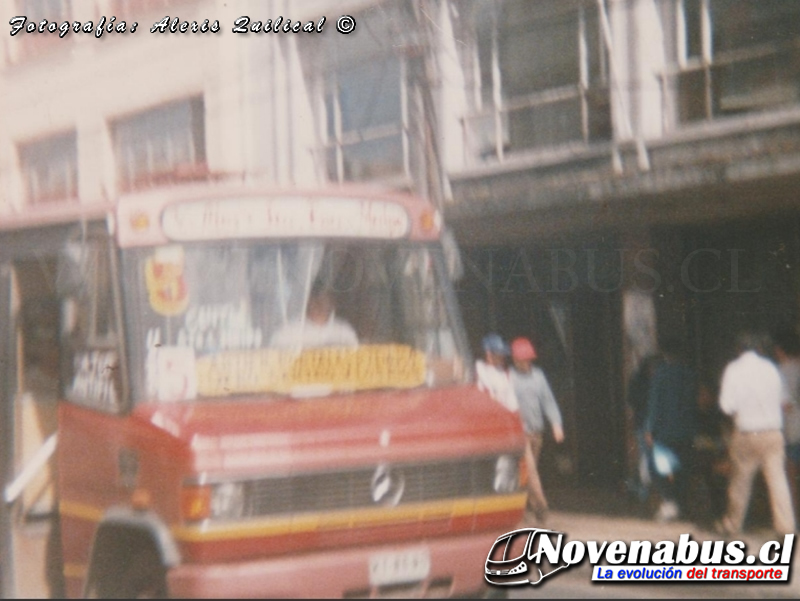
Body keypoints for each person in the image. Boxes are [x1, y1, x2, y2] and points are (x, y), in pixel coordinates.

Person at [716, 331, 796, 536]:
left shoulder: (733, 370)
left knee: (740, 482)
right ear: (760, 349)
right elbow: (785, 403)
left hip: (746, 433)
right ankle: (786, 527)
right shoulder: (771, 369)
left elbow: (726, 406)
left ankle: (733, 525)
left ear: (738, 349)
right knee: (778, 481)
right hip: (772, 433)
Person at [509, 337, 563, 523]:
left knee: (525, 474)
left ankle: (519, 509)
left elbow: (548, 400)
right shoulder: (510, 378)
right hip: (520, 434)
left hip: (536, 434)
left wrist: (556, 424)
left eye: (528, 359)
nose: (525, 363)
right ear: (515, 360)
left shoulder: (538, 376)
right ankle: (541, 509)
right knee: (530, 472)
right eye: (522, 360)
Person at [643, 337, 697, 522]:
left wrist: (649, 428)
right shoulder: (689, 373)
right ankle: (681, 505)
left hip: (664, 431)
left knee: (657, 468)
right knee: (682, 468)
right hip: (686, 429)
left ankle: (669, 502)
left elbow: (654, 403)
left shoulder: (660, 373)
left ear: (665, 355)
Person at [270, 282, 358, 349]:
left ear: (332, 301)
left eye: (324, 298)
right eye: (315, 298)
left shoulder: (344, 331)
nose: (319, 303)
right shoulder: (287, 332)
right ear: (307, 301)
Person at [626, 353, 661, 504]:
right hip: (643, 424)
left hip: (648, 424)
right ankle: (642, 491)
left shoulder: (643, 380)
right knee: (645, 458)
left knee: (646, 458)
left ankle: (642, 490)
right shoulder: (641, 382)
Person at [773, 328, 800, 522]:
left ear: (779, 350)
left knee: (792, 480)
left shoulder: (780, 372)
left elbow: (784, 405)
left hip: (793, 431)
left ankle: (796, 519)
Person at [475, 333, 518, 412]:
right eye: (500, 354)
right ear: (489, 353)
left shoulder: (506, 373)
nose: (503, 357)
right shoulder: (478, 368)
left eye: (503, 354)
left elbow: (513, 403)